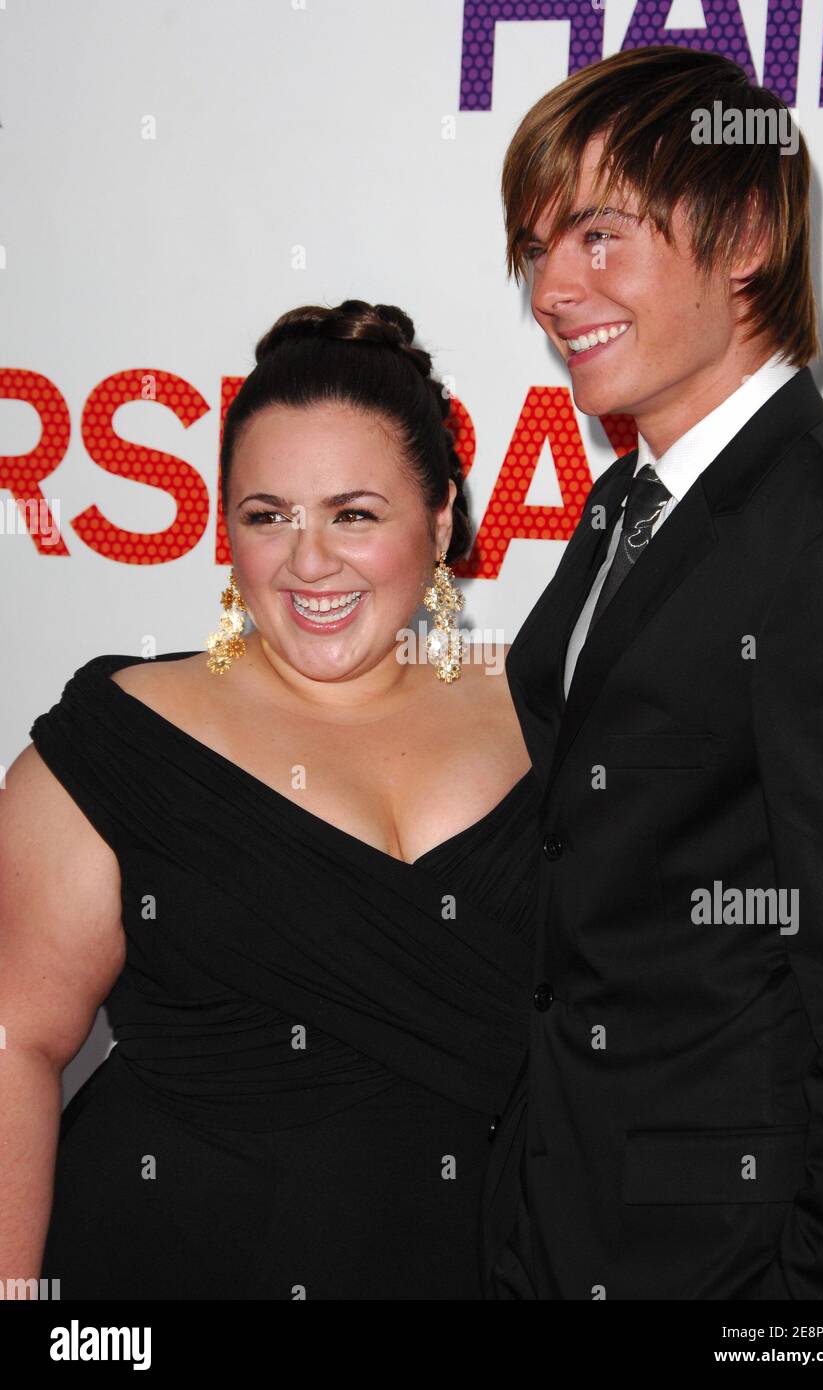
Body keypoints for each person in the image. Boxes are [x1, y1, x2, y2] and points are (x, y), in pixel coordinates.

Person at [0, 299, 539, 1300]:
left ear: (440, 521)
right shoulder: (119, 741)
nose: (308, 560)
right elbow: (14, 1045)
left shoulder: (544, 715)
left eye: (353, 513)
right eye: (266, 515)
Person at [480, 46, 823, 1300]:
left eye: (599, 236)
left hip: (725, 1256)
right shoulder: (628, 499)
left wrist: (817, 1308)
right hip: (563, 1207)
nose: (553, 290)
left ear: (747, 235)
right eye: (535, 248)